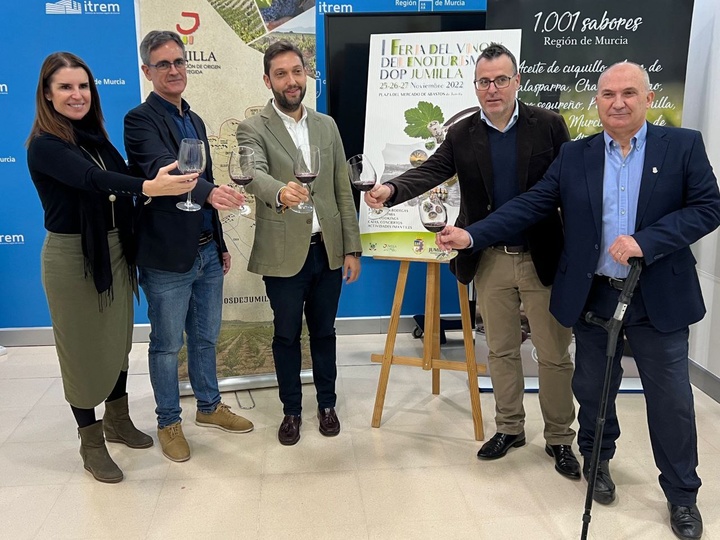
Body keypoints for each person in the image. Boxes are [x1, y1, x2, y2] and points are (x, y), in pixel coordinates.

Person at [437, 61, 720, 540]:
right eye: (608, 94)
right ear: (597, 102)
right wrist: (471, 235)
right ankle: (598, 461)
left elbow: (708, 207)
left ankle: (681, 496)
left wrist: (646, 241)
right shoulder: (576, 154)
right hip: (594, 297)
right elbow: (531, 204)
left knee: (671, 403)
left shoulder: (683, 146)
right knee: (593, 390)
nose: (618, 103)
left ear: (648, 99)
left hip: (660, 301)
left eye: (629, 93)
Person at [365, 43, 579, 479]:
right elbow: (431, 169)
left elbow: (565, 191)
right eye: (484, 81)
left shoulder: (550, 126)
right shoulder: (463, 133)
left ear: (517, 81)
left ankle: (560, 438)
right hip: (490, 260)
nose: (493, 88)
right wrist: (390, 190)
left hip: (542, 257)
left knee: (554, 354)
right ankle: (510, 428)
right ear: (476, 86)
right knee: (499, 350)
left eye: (502, 79)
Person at [26, 52, 199, 482]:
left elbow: (118, 176)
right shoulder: (46, 145)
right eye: (65, 87)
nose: (77, 94)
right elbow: (91, 180)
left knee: (116, 341)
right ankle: (91, 440)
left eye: (83, 86)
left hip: (114, 250)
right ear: (47, 94)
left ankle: (118, 420)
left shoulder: (93, 136)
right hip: (73, 257)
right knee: (82, 352)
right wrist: (148, 186)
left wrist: (156, 178)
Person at [124, 30, 252, 463]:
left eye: (179, 62)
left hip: (204, 251)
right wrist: (210, 193)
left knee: (204, 337)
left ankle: (210, 407)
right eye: (163, 64)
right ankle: (168, 421)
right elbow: (165, 173)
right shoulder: (139, 120)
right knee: (165, 344)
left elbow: (202, 181)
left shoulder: (194, 120)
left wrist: (218, 242)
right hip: (165, 257)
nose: (174, 70)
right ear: (147, 71)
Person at [236, 40, 362, 446]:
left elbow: (343, 189)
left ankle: (327, 404)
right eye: (281, 74)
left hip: (326, 250)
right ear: (267, 79)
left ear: (306, 73)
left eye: (297, 71)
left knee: (324, 332)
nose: (291, 81)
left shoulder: (326, 125)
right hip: (282, 253)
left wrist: (352, 248)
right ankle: (291, 411)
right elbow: (251, 172)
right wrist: (279, 191)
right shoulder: (253, 127)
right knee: (287, 335)